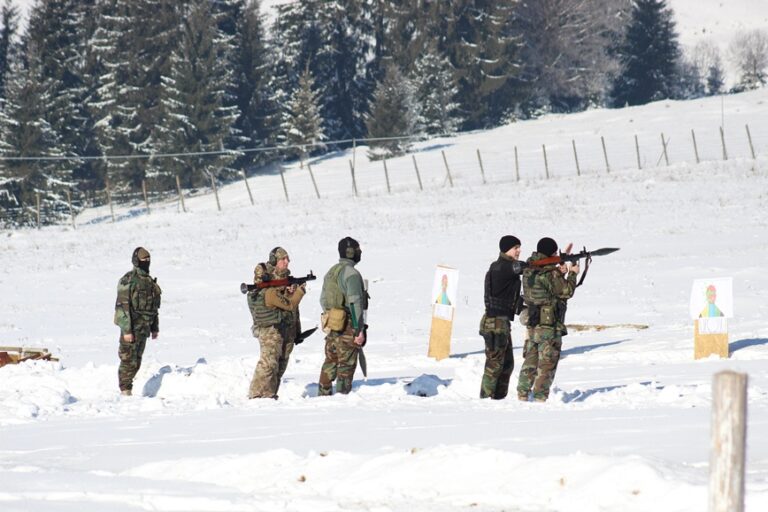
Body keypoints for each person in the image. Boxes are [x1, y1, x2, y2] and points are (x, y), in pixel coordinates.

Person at [516, 237, 579, 402]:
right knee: (547, 365)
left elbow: (544, 285)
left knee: (530, 362)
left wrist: (559, 272)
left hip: (532, 324)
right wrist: (572, 274)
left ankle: (522, 394)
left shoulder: (529, 269)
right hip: (548, 327)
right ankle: (540, 398)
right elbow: (566, 291)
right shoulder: (549, 273)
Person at [246, 247, 305, 399]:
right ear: (274, 261)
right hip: (271, 329)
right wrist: (296, 292)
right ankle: (255, 394)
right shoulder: (266, 281)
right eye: (282, 259)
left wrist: (297, 331)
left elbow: (293, 309)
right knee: (268, 363)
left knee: (281, 364)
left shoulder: (287, 279)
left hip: (288, 328)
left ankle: (269, 394)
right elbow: (286, 303)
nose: (287, 262)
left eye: (287, 259)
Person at [317, 236, 368, 395]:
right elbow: (355, 302)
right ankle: (341, 401)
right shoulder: (351, 274)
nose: (360, 252)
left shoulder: (331, 272)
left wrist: (333, 317)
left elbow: (323, 300)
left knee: (330, 362)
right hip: (348, 326)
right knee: (346, 366)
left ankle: (322, 396)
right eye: (358, 249)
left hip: (333, 325)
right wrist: (359, 329)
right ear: (351, 252)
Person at [479, 235, 523, 399]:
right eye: (515, 247)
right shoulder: (502, 266)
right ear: (506, 249)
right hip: (495, 323)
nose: (519, 250)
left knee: (507, 364)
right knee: (494, 365)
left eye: (519, 247)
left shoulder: (505, 266)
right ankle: (485, 400)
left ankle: (498, 399)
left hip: (501, 323)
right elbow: (522, 268)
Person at [114, 247, 162, 396]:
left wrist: (155, 327)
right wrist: (127, 330)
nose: (146, 263)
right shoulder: (128, 280)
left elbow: (154, 307)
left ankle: (128, 389)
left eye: (148, 260)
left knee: (137, 361)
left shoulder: (149, 282)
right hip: (132, 328)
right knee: (128, 360)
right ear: (136, 261)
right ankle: (125, 390)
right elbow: (122, 306)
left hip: (144, 328)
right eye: (143, 260)